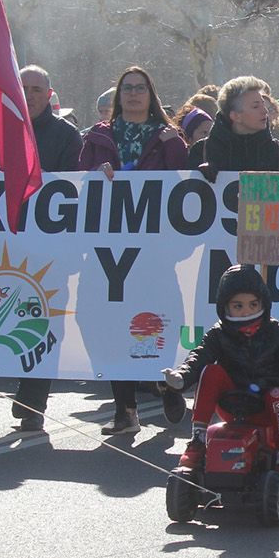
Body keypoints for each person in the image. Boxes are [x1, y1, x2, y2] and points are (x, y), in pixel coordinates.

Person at [79, 66, 190, 435]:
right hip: (110, 252)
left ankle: (163, 381)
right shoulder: (98, 137)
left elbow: (183, 190)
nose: (133, 94)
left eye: (140, 88)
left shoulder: (169, 138)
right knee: (109, 325)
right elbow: (80, 182)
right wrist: (97, 171)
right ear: (118, 95)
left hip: (154, 252)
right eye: (126, 88)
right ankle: (124, 410)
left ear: (151, 93)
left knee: (159, 317)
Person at [165, 266, 279, 489]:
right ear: (225, 306)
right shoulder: (219, 334)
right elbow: (199, 356)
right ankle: (199, 440)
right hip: (233, 406)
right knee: (211, 372)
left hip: (269, 409)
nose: (246, 311)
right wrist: (181, 377)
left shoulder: (277, 333)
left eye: (253, 304)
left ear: (263, 304)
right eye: (238, 306)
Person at [7, 66, 83, 432]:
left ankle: (33, 398)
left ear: (49, 93)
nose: (30, 94)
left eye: (37, 88)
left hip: (52, 249)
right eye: (24, 88)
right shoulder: (0, 128)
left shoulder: (67, 136)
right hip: (5, 245)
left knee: (46, 321)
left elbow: (74, 190)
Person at [202, 76, 279, 174]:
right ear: (236, 116)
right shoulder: (203, 152)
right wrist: (198, 175)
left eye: (263, 104)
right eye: (255, 106)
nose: (265, 111)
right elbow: (187, 187)